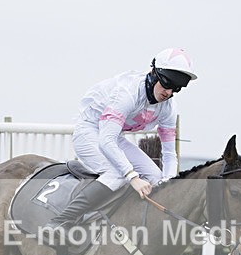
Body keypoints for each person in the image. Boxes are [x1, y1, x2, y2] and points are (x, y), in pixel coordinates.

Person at [43, 48, 197, 243]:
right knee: (118, 174)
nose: (169, 92)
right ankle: (61, 220)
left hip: (114, 137)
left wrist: (169, 184)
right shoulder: (128, 93)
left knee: (156, 177)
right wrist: (132, 176)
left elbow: (169, 153)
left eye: (176, 89)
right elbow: (105, 140)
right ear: (154, 73)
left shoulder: (168, 108)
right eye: (167, 84)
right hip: (90, 131)